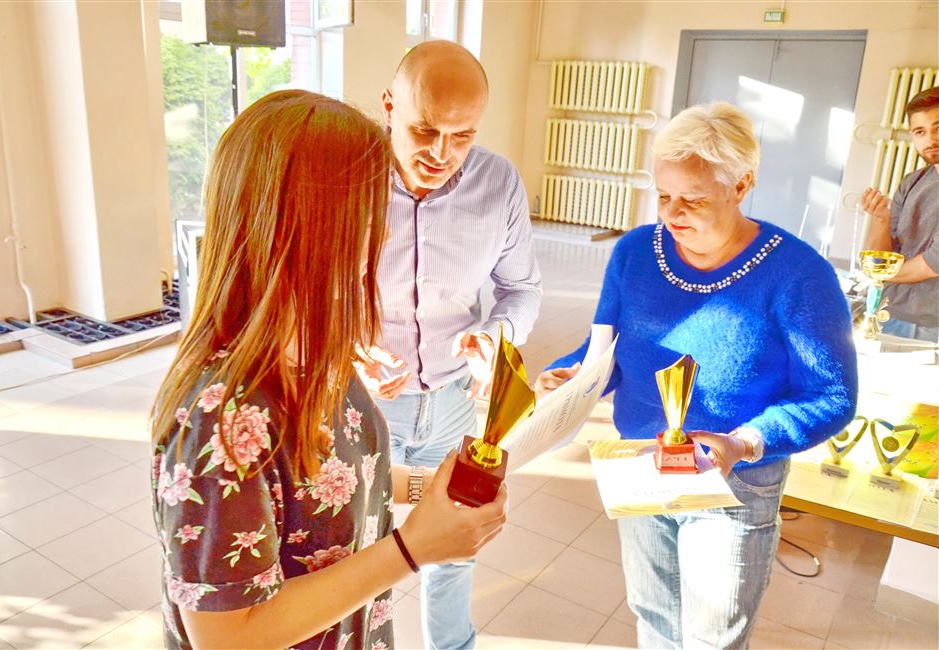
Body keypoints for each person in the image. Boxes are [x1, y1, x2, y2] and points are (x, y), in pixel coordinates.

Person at [149, 90, 507, 650]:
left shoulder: (321, 355)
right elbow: (228, 637)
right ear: (306, 227)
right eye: (370, 214)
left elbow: (329, 484)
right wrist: (411, 548)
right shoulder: (221, 417)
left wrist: (429, 489)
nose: (384, 234)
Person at [536, 101, 858, 649]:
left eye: (694, 198)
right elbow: (606, 348)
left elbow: (831, 395)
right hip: (641, 458)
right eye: (663, 195)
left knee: (713, 637)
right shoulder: (635, 253)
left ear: (742, 184)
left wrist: (744, 442)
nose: (672, 213)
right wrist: (569, 376)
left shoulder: (800, 274)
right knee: (653, 617)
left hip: (735, 477)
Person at [354, 41, 542, 650]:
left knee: (457, 542)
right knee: (356, 543)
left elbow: (521, 290)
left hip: (456, 399)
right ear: (389, 106)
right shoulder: (344, 178)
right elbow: (305, 294)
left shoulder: (498, 182)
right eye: (424, 130)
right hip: (362, 404)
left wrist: (495, 336)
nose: (441, 154)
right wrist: (347, 351)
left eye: (462, 136)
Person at [860, 86, 939, 342]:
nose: (930, 140)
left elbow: (933, 263)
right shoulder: (912, 181)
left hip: (932, 325)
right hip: (890, 313)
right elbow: (883, 255)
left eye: (938, 128)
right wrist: (880, 218)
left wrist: (878, 274)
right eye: (920, 132)